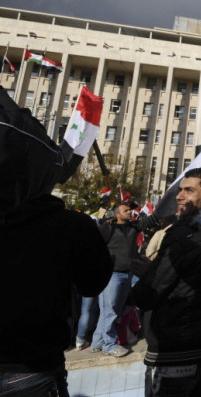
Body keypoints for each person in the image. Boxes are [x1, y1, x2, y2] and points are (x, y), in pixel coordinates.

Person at [0, 86, 113, 395]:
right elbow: (93, 282)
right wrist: (95, 239)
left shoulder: (69, 226)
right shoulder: (68, 226)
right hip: (32, 370)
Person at [132, 168, 201, 396]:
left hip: (175, 353)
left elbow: (149, 293)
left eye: (189, 190)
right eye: (180, 190)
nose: (179, 196)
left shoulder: (184, 235)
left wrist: (148, 274)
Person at [90, 203, 140, 357]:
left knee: (112, 311)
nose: (130, 211)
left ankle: (97, 342)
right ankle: (108, 345)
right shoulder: (108, 228)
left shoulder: (134, 227)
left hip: (127, 274)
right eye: (126, 210)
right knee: (109, 310)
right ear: (118, 214)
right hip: (112, 275)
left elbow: (153, 219)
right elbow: (95, 245)